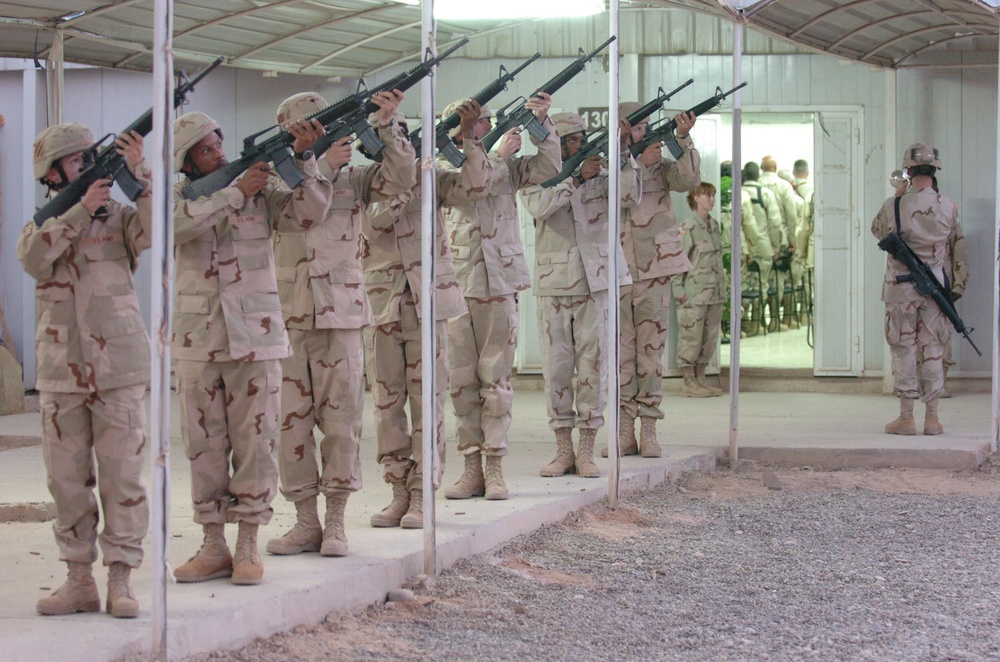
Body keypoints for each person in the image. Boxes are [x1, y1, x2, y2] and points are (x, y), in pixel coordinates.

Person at [170, 110, 332, 585]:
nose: (218, 153)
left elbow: (308, 215)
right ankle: (213, 545)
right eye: (206, 150)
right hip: (198, 339)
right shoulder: (179, 197)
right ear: (186, 163)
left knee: (257, 445)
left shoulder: (258, 192)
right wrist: (232, 193)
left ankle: (246, 546)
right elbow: (176, 229)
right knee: (204, 448)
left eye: (219, 144)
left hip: (257, 336)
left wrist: (304, 161)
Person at [265, 89, 414, 557]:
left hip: (343, 315)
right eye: (311, 127)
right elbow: (293, 211)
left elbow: (402, 177)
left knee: (341, 423)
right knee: (291, 426)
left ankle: (335, 522)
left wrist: (388, 124)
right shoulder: (272, 176)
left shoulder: (355, 177)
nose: (324, 134)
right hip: (289, 318)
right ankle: (304, 521)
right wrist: (320, 166)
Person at [19, 123, 151, 618]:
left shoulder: (120, 216)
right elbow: (34, 259)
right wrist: (78, 211)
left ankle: (122, 580)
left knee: (124, 478)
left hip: (119, 368)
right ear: (53, 173)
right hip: (61, 370)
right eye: (77, 161)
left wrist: (139, 173)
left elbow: (160, 230)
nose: (88, 166)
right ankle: (78, 580)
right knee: (67, 482)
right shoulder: (44, 224)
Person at [363, 101, 489, 528]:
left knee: (428, 400)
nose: (397, 140)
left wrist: (470, 137)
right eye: (388, 134)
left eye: (400, 132)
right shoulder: (360, 180)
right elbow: (372, 223)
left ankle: (422, 494)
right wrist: (404, 184)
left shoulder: (429, 175)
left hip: (426, 301)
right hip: (380, 304)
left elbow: (474, 188)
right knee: (387, 403)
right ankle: (397, 490)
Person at [438, 93, 560, 500]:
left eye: (488, 121)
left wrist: (544, 126)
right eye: (480, 122)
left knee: (496, 379)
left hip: (499, 283)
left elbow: (549, 167)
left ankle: (495, 467)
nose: (489, 127)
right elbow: (470, 184)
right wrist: (491, 154)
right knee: (460, 381)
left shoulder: (508, 166)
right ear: (460, 129)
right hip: (457, 283)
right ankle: (470, 465)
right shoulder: (443, 165)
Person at [519, 112, 639, 477]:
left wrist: (621, 155)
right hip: (555, 285)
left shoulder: (601, 175)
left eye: (581, 138)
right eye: (571, 140)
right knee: (557, 369)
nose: (580, 144)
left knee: (595, 365)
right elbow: (539, 207)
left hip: (596, 282)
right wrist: (573, 178)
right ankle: (562, 450)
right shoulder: (535, 177)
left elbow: (630, 195)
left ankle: (587, 448)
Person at [613, 104, 700, 456]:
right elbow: (621, 195)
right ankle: (623, 428)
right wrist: (633, 161)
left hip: (655, 271)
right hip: (617, 271)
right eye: (636, 129)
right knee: (621, 355)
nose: (644, 134)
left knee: (650, 354)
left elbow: (689, 181)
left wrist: (682, 139)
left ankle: (649, 427)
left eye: (647, 126)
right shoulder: (610, 165)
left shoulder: (662, 168)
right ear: (621, 131)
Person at [871, 142, 957, 435]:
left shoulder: (894, 204)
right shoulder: (949, 205)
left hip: (900, 291)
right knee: (932, 349)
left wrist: (898, 194)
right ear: (935, 171)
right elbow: (950, 238)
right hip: (934, 290)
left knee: (903, 350)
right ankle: (932, 418)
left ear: (908, 170)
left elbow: (877, 231)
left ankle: (906, 417)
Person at [674, 182, 727, 398]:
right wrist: (678, 289)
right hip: (694, 293)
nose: (711, 200)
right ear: (695, 198)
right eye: (706, 196)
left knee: (709, 338)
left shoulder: (714, 226)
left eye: (713, 196)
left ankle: (701, 378)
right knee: (691, 337)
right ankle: (688, 381)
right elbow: (678, 261)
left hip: (714, 293)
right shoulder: (688, 227)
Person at [741, 162, 784, 332]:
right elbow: (775, 223)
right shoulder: (766, 193)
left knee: (742, 285)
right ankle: (757, 323)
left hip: (743, 246)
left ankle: (742, 323)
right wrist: (776, 247)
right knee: (761, 285)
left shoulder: (737, 193)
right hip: (763, 246)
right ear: (757, 175)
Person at [759, 155, 800, 330]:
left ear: (762, 168)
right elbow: (791, 217)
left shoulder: (755, 184)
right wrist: (793, 241)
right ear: (775, 168)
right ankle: (776, 320)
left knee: (760, 281)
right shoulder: (784, 186)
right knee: (778, 279)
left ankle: (759, 320)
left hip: (759, 241)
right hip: (780, 239)